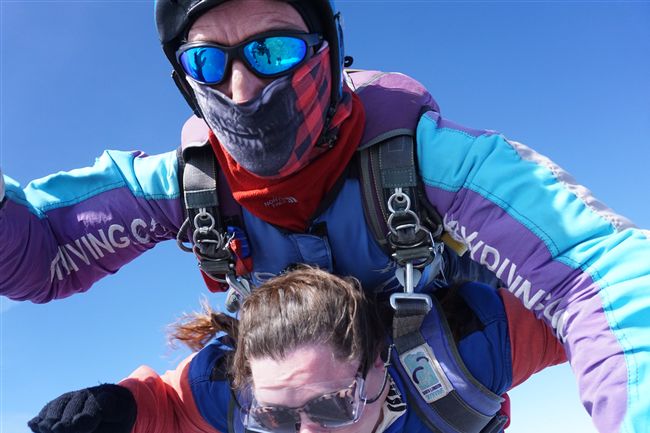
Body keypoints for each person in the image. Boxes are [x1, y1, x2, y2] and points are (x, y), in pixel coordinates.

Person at [1, 1, 648, 432]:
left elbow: (598, 275)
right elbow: (40, 254)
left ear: (327, 50)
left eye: (273, 51)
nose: (242, 89)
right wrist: (123, 409)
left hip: (428, 359)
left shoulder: (428, 163)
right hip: (292, 359)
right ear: (186, 81)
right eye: (207, 60)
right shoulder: (192, 188)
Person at [27, 267, 566, 433]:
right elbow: (172, 404)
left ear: (381, 364)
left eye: (331, 406)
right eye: (276, 417)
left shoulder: (467, 350)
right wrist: (122, 407)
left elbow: (592, 313)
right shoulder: (233, 391)